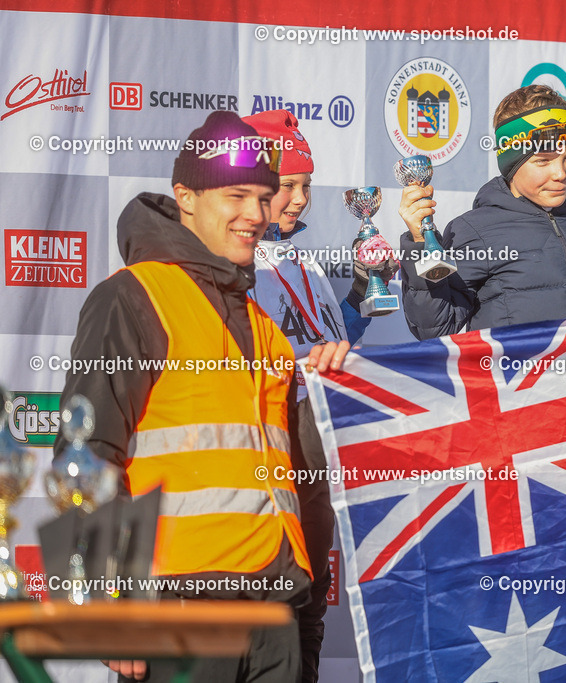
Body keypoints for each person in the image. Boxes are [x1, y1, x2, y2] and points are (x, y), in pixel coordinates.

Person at [54, 110, 349, 683]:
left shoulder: (262, 325)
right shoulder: (133, 297)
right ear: (185, 196)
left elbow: (292, 477)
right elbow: (83, 455)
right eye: (236, 195)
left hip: (275, 618)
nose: (256, 215)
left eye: (265, 197)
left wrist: (329, 385)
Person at [241, 109, 395, 683]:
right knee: (278, 596)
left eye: (306, 185)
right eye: (287, 186)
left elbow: (329, 339)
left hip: (321, 444)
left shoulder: (301, 254)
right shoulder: (237, 262)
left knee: (310, 595)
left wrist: (360, 290)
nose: (300, 199)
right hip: (277, 448)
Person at [398, 84, 566, 339]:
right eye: (543, 160)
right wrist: (420, 243)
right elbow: (435, 327)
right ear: (511, 165)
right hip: (515, 378)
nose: (561, 173)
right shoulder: (475, 230)